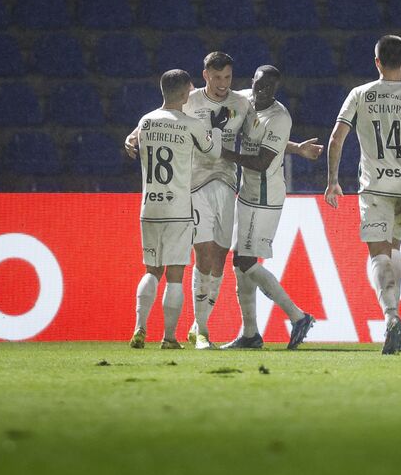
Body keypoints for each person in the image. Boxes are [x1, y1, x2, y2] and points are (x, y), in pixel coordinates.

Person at [125, 52, 321, 349]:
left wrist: (295, 149)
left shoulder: (241, 103)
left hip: (230, 184)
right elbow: (159, 116)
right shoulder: (192, 99)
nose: (222, 84)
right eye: (216, 78)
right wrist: (133, 134)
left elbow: (265, 144)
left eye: (227, 78)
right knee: (206, 254)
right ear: (205, 76)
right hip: (195, 183)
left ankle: (203, 326)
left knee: (222, 258)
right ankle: (205, 331)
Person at [324, 35, 401, 355]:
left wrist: (332, 180)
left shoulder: (360, 95)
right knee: (393, 249)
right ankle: (396, 315)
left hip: (376, 186)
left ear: (376, 61)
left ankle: (392, 318)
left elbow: (336, 138)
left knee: (378, 253)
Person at [219, 65, 323, 350]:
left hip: (265, 197)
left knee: (246, 262)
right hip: (247, 192)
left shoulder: (279, 117)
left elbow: (264, 159)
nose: (263, 90)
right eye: (259, 84)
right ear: (252, 81)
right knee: (240, 265)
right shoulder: (245, 100)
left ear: (276, 89)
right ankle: (251, 334)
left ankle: (298, 316)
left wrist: (226, 153)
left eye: (269, 87)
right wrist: (297, 148)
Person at [129, 69, 223, 349]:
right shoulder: (190, 123)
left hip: (149, 207)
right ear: (184, 93)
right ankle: (169, 337)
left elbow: (133, 141)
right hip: (178, 209)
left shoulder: (145, 121)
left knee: (151, 271)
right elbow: (213, 152)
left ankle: (138, 328)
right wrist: (215, 130)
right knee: (175, 275)